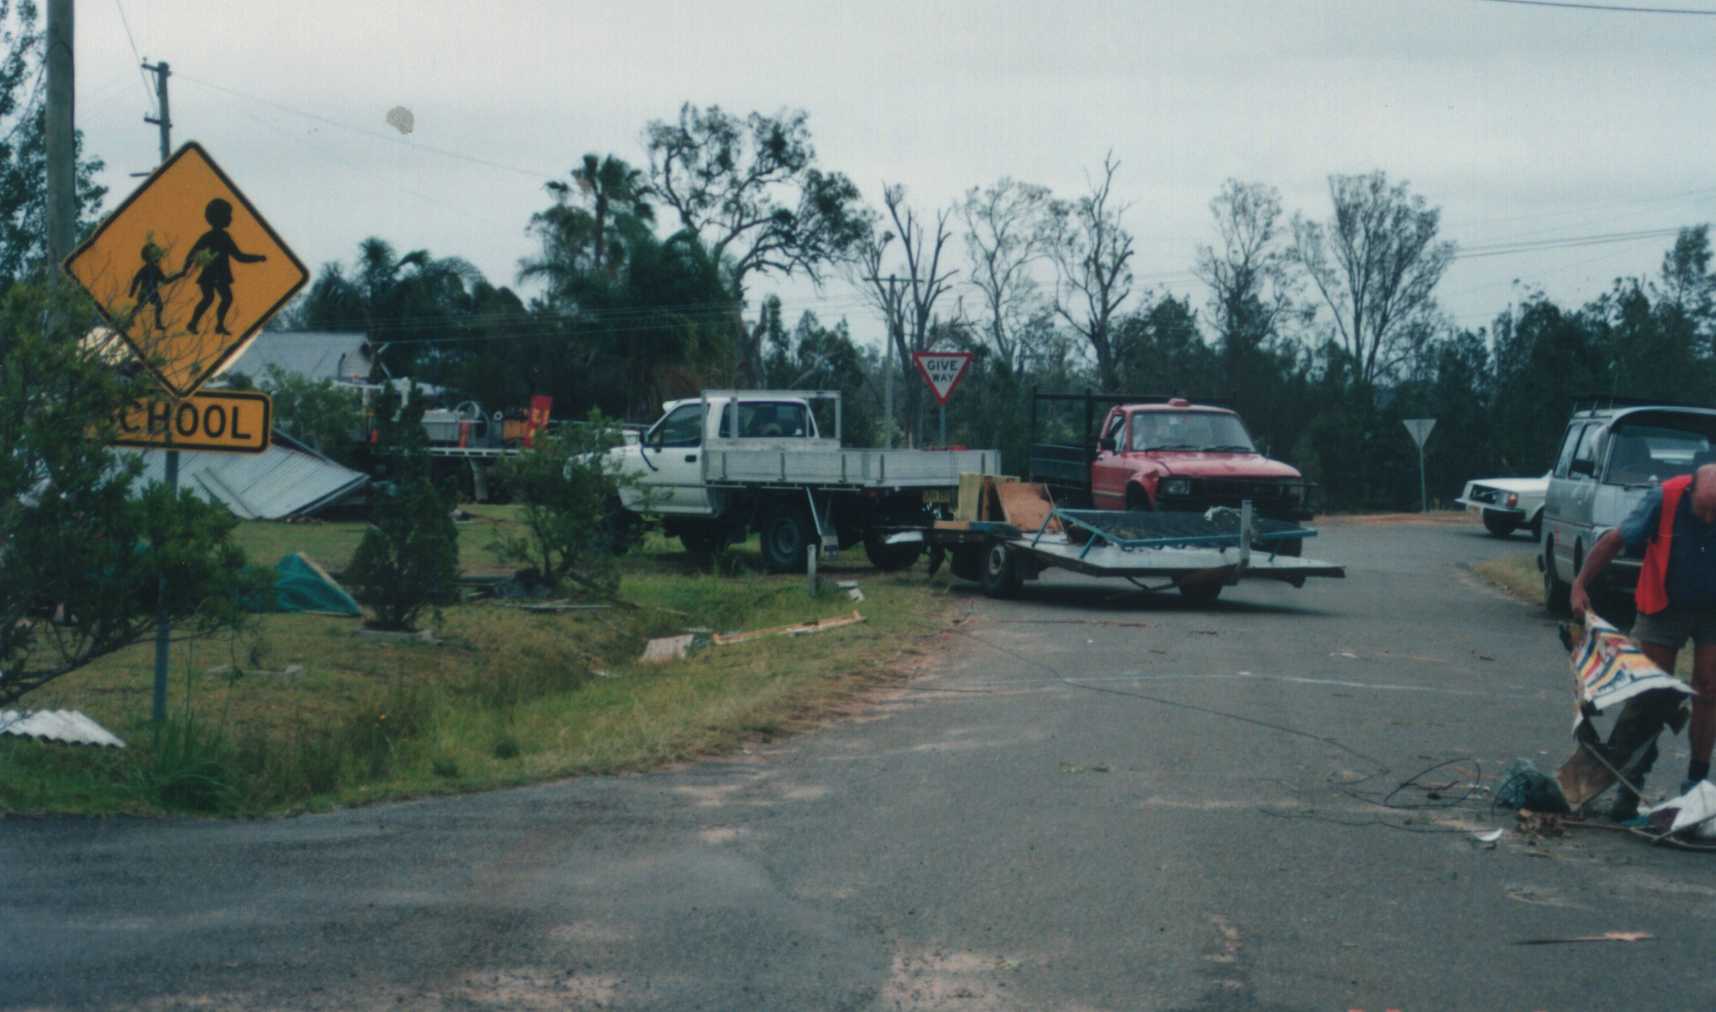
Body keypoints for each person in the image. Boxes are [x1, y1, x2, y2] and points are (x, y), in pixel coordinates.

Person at [1571, 462, 1716, 818]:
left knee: (1710, 691)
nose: (1711, 517)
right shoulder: (1663, 498)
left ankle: (1696, 789)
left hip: (1712, 609)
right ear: (1690, 492)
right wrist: (1580, 584)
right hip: (1663, 604)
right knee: (1650, 694)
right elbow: (1615, 540)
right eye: (1705, 510)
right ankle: (1626, 788)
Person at [183, 197, 267, 336]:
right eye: (228, 215)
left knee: (222, 299)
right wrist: (185, 268)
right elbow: (193, 252)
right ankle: (193, 324)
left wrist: (257, 258)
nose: (231, 218)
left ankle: (216, 326)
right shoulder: (210, 236)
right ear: (220, 217)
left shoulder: (224, 236)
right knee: (212, 298)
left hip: (219, 275)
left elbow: (239, 256)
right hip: (212, 275)